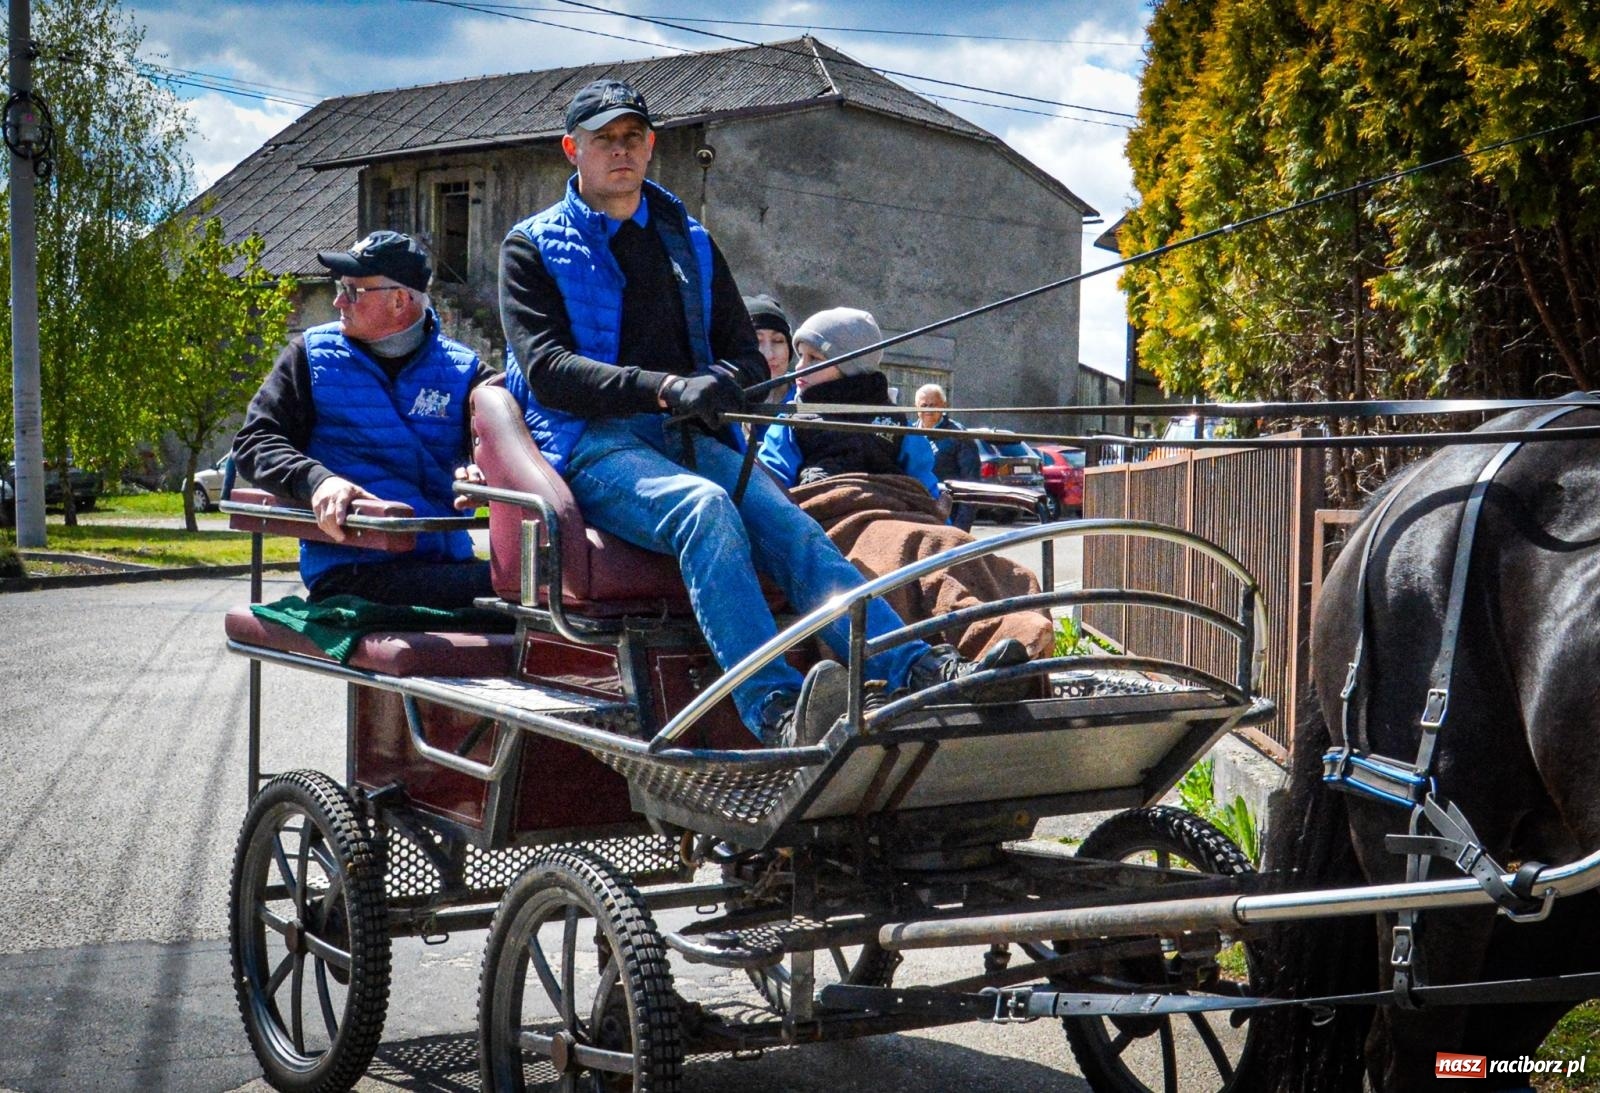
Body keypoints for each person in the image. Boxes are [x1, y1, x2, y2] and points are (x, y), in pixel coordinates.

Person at [498, 77, 1021, 747]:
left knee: (794, 527)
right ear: (573, 149)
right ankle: (773, 707)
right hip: (591, 442)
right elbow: (547, 370)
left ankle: (916, 665)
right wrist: (664, 387)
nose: (619, 151)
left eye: (632, 137)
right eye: (603, 140)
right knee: (703, 510)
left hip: (686, 432)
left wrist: (717, 382)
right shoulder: (531, 247)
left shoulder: (687, 241)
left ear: (651, 145)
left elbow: (746, 357)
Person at [759, 310, 1054, 663]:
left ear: (850, 364)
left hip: (898, 508)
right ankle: (987, 646)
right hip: (838, 521)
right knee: (911, 546)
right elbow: (772, 480)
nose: (798, 367)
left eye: (814, 358)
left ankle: (1005, 635)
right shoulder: (794, 417)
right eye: (801, 356)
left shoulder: (895, 418)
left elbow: (920, 480)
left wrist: (935, 509)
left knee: (953, 544)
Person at [234, 230, 495, 609]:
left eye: (354, 291)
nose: (338, 300)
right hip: (351, 567)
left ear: (400, 300)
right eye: (341, 287)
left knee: (540, 591)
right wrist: (318, 482)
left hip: (444, 560)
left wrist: (481, 471)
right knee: (518, 596)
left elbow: (505, 448)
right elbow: (254, 442)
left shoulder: (466, 371)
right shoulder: (308, 356)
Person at [915, 382, 981, 531]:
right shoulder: (908, 434)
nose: (928, 410)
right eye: (924, 405)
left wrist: (960, 529)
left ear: (943, 406)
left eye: (933, 405)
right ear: (915, 407)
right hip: (915, 515)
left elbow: (972, 485)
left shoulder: (959, 435)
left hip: (948, 519)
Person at [743, 293, 794, 403]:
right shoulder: (721, 405)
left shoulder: (808, 400)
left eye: (778, 341)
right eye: (757, 341)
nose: (769, 355)